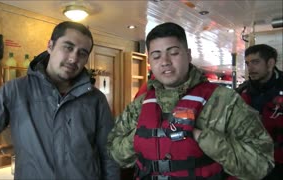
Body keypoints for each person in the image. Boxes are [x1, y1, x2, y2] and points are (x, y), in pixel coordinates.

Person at [107, 22, 274, 180]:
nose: (165, 62)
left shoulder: (224, 101)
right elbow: (114, 152)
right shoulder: (140, 105)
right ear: (149, 61)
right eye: (156, 56)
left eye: (173, 53)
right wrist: (141, 137)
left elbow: (262, 163)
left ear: (188, 55)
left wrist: (201, 137)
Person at [0, 21, 120, 180]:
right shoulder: (16, 91)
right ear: (50, 46)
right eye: (68, 47)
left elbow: (109, 156)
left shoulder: (96, 100)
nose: (74, 58)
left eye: (82, 53)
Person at [236, 44, 283, 180]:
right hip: (250, 163)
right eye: (247, 63)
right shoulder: (242, 92)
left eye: (255, 62)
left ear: (270, 63)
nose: (250, 68)